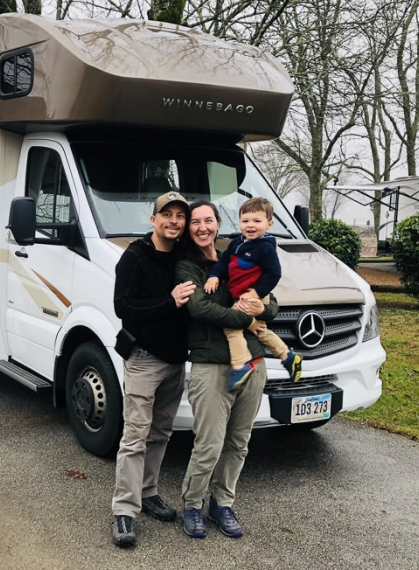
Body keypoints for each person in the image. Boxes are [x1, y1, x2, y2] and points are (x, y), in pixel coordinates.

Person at [176, 200, 278, 540]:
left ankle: (222, 503)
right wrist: (249, 315)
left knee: (238, 442)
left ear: (219, 224)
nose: (203, 227)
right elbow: (199, 308)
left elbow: (273, 303)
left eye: (209, 220)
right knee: (209, 444)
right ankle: (192, 504)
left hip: (252, 362)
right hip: (210, 365)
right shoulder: (186, 266)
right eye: (195, 222)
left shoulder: (239, 253)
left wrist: (262, 303)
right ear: (189, 228)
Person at [111, 190, 197, 548]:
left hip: (176, 359)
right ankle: (123, 512)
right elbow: (123, 307)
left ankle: (148, 494)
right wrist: (170, 301)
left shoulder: (183, 255)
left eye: (180, 216)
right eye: (168, 214)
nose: (174, 221)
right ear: (153, 219)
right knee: (135, 436)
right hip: (145, 358)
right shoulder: (135, 257)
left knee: (161, 432)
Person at [203, 197, 302, 391]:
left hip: (253, 297)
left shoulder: (265, 248)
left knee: (231, 327)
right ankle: (288, 356)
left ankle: (240, 365)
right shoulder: (236, 243)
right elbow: (224, 264)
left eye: (257, 221)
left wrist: (256, 294)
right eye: (245, 221)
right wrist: (214, 276)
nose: (250, 226)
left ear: (269, 224)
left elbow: (274, 274)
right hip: (242, 295)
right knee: (259, 330)